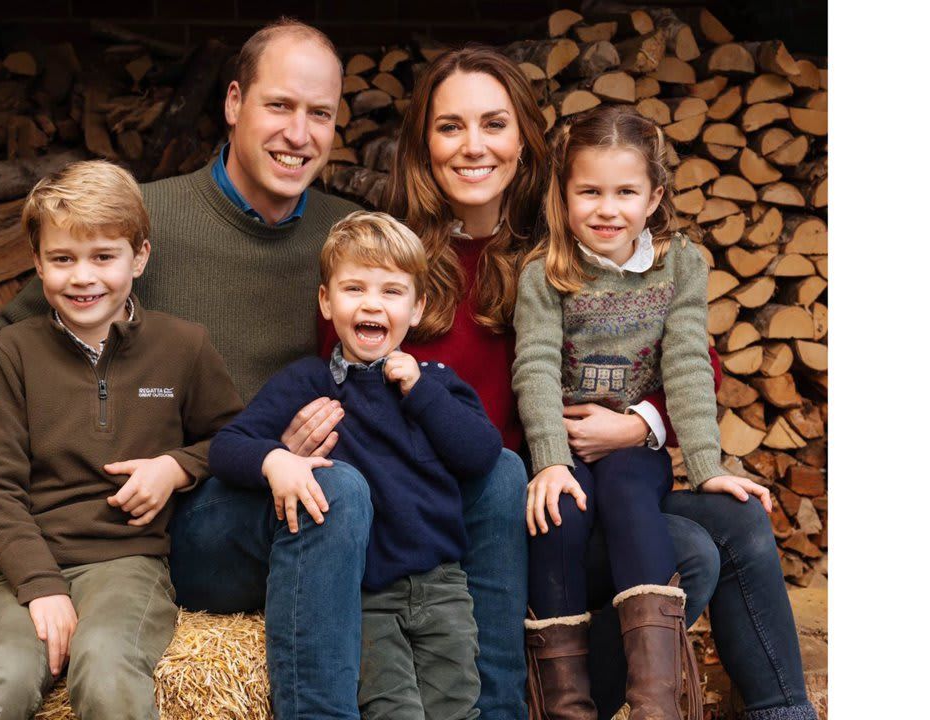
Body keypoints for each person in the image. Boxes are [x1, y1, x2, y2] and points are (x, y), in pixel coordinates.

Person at [0, 20, 530, 720]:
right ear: (234, 101)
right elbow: (21, 342)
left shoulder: (348, 233)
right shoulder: (146, 223)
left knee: (499, 474)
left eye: (320, 114)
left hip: (329, 497)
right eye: (280, 106)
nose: (298, 133)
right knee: (340, 492)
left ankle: (500, 709)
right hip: (197, 518)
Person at [372, 46, 815, 720]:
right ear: (423, 142)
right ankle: (581, 705)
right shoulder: (395, 262)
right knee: (689, 552)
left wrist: (640, 424)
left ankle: (784, 712)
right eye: (450, 126)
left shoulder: (568, 242)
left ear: (524, 140)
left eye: (493, 124)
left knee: (739, 518)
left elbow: (695, 358)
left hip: (602, 466)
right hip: (504, 502)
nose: (473, 146)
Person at [0, 160, 243, 720]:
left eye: (103, 257)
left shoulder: (183, 346)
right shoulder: (12, 353)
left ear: (139, 257)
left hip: (128, 563)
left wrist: (176, 467)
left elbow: (232, 437)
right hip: (26, 564)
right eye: (62, 259)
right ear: (37, 263)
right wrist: (42, 587)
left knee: (106, 667)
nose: (82, 277)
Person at [511, 106, 772, 719]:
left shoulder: (680, 265)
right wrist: (548, 461)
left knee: (631, 493)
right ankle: (564, 706)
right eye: (590, 192)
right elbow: (536, 365)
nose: (607, 209)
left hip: (634, 449)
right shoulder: (545, 271)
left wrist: (706, 467)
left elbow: (685, 363)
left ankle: (655, 702)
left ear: (654, 196)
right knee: (559, 515)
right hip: (563, 448)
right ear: (563, 194)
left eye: (626, 191)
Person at [212, 211, 501, 720]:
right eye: (354, 289)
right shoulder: (308, 382)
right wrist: (276, 459)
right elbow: (228, 446)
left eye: (392, 291)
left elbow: (480, 456)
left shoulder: (436, 383)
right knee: (393, 710)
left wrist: (419, 391)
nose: (372, 303)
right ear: (327, 302)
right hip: (368, 593)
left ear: (418, 308)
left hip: (443, 587)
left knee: (457, 706)